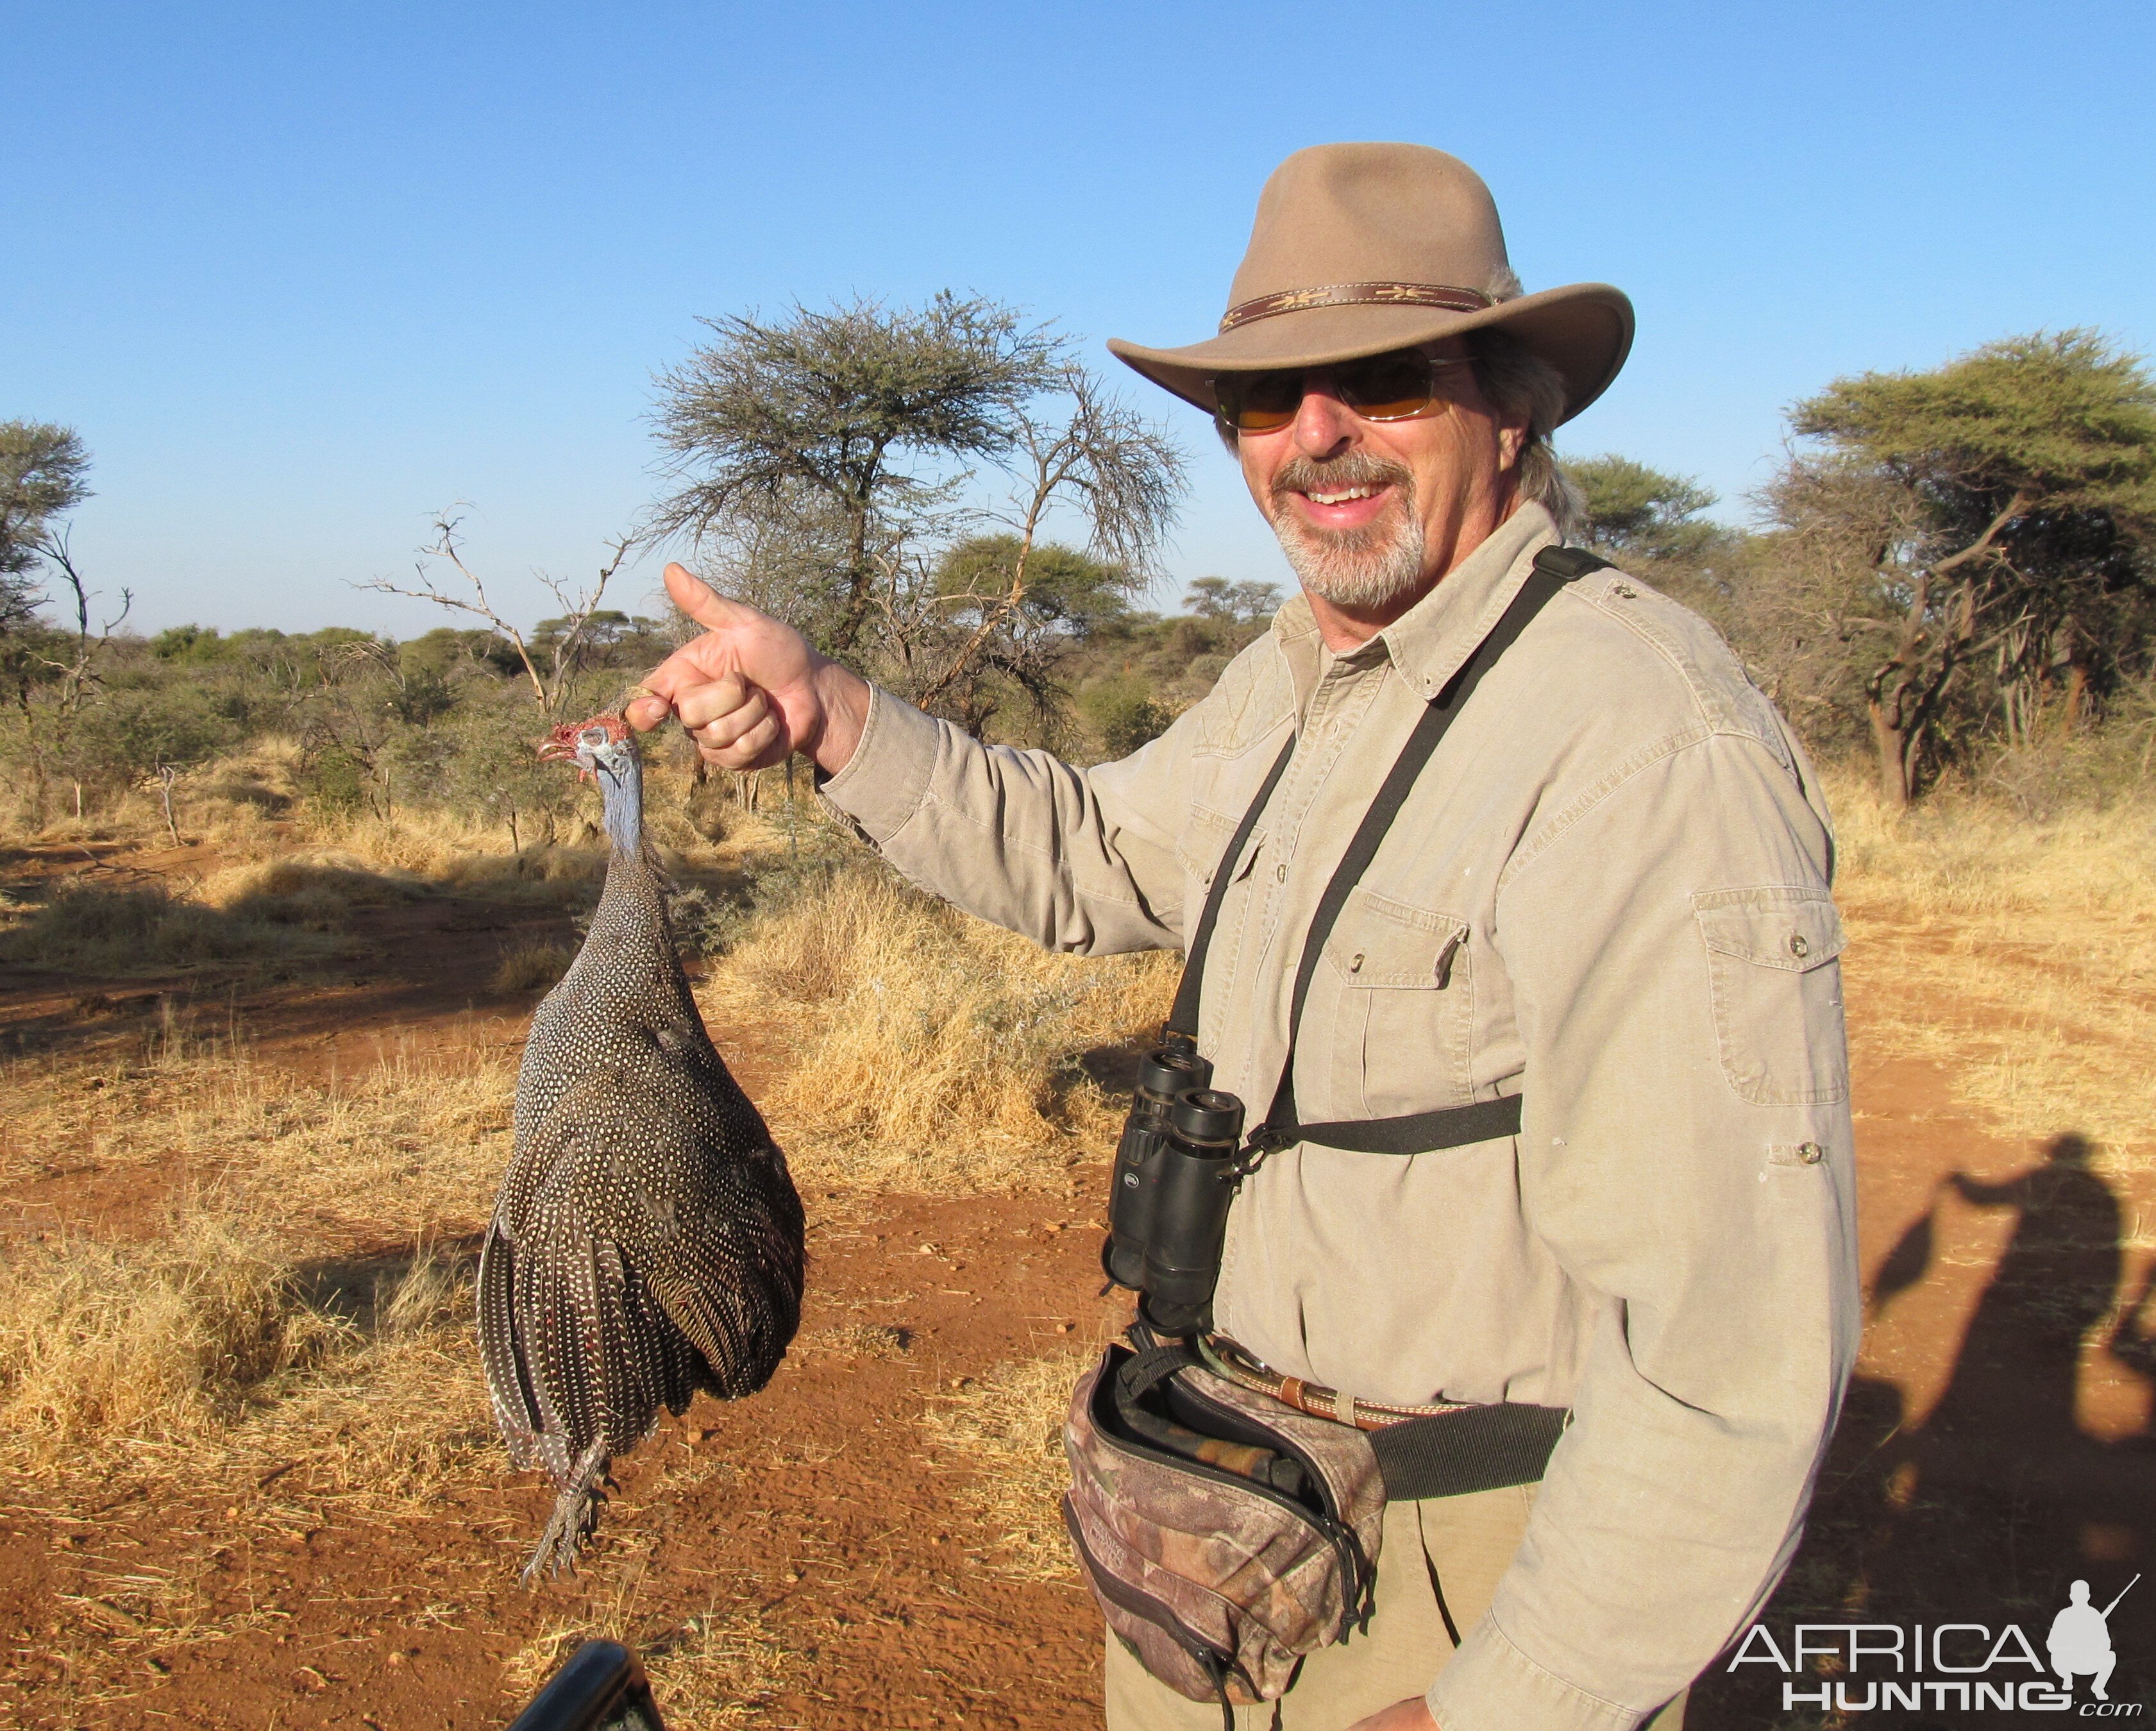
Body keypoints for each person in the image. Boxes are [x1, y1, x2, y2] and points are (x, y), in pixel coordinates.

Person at [629, 142, 1858, 1731]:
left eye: (1387, 383)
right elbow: (1093, 851)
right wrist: (833, 715)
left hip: (1453, 1570)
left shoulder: (1638, 741)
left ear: (1514, 405)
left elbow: (1728, 1351)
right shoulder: (1299, 676)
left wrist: (1508, 1706)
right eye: (1268, 401)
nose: (1317, 439)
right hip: (1220, 1509)